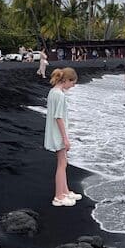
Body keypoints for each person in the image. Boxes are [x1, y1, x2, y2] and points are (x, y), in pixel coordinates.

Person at [44, 67, 81, 207]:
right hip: (58, 133)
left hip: (55, 132)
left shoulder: (53, 91)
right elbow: (58, 117)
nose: (73, 86)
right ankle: (59, 196)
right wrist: (65, 138)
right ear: (66, 80)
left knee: (63, 163)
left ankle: (65, 191)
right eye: (72, 83)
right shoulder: (59, 95)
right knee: (61, 164)